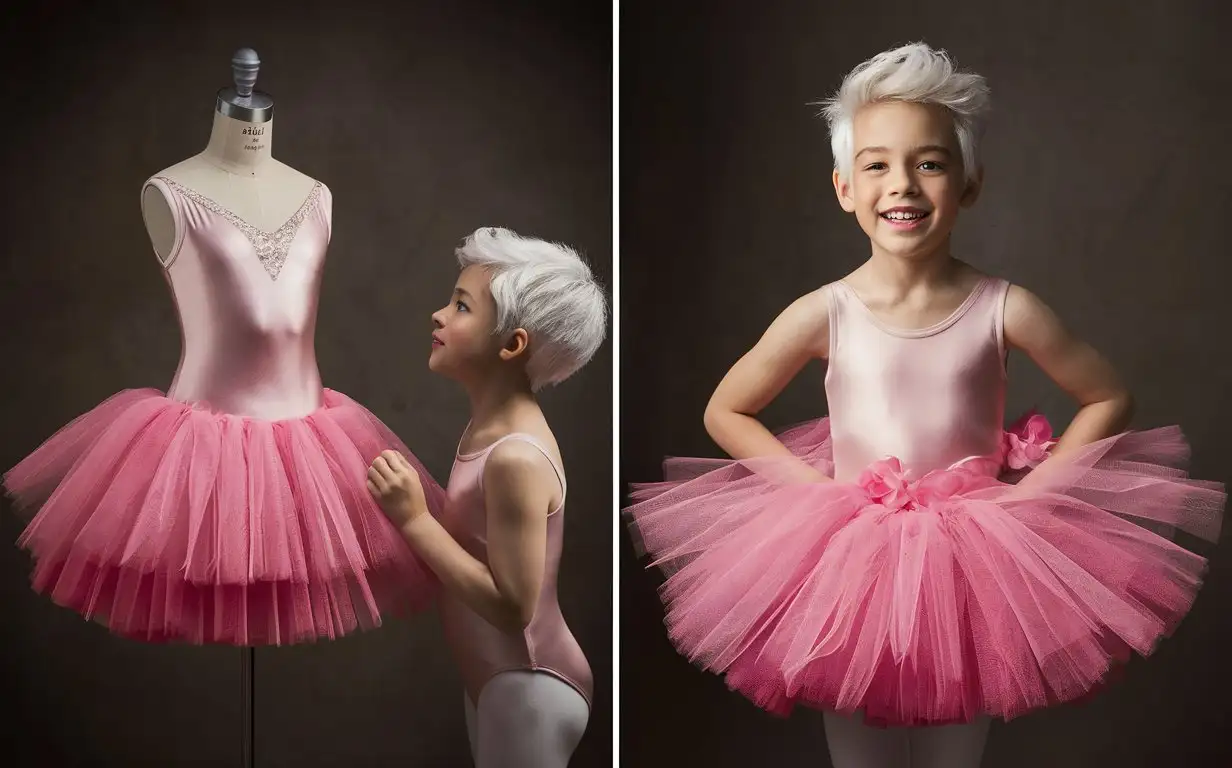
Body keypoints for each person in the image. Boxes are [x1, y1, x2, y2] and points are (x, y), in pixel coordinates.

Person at [624, 42, 1225, 768]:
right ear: (845, 186)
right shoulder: (826, 312)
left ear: (968, 184)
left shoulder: (1006, 308)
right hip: (849, 559)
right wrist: (814, 495)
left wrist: (1034, 494)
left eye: (929, 164)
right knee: (859, 752)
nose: (902, 185)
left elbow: (1107, 395)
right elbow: (727, 410)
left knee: (953, 753)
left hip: (972, 559)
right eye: (876, 165)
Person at [367, 227, 607, 768]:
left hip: (530, 683)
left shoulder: (516, 457)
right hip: (497, 679)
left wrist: (415, 521)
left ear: (511, 343)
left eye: (461, 307)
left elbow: (512, 605)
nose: (438, 315)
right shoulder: (488, 431)